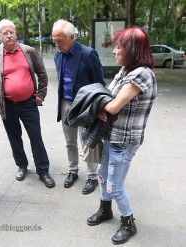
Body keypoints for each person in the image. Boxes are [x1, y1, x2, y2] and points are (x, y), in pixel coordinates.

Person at [87, 27, 157, 245]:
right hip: (110, 136)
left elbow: (113, 105)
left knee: (115, 186)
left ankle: (128, 222)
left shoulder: (141, 74)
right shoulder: (126, 70)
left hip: (123, 142)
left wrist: (99, 105)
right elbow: (105, 96)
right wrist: (101, 105)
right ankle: (105, 210)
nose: (115, 51)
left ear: (132, 50)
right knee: (102, 176)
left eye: (119, 47)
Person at [0, 19, 55, 188]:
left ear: (16, 33)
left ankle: (43, 170)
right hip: (8, 105)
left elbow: (42, 73)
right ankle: (22, 165)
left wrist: (41, 94)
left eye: (11, 32)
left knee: (36, 136)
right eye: (5, 33)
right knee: (14, 137)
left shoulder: (29, 51)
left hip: (28, 104)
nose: (9, 35)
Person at [51, 19, 105, 194]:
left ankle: (92, 177)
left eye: (60, 40)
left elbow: (99, 84)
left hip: (85, 106)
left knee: (88, 142)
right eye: (54, 40)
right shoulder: (57, 54)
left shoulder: (88, 54)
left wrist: (99, 109)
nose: (56, 44)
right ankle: (72, 171)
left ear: (72, 37)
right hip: (65, 104)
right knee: (70, 142)